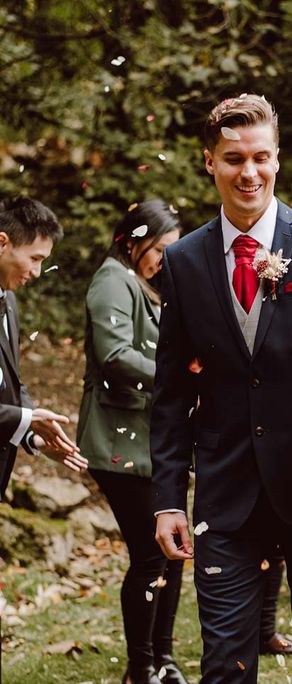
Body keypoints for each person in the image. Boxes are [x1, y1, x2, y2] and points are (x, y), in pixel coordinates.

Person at [150, 94, 292, 683]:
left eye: (260, 157)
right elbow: (170, 390)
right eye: (232, 158)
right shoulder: (184, 260)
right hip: (225, 496)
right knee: (225, 662)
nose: (249, 172)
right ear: (209, 162)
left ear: (278, 158)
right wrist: (170, 497)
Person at [76, 200, 183, 684]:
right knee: (149, 555)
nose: (166, 258)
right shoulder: (111, 279)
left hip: (152, 445)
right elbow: (116, 355)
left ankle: (165, 660)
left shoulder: (146, 286)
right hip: (117, 444)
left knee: (172, 549)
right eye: (160, 248)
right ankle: (140, 668)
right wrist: (178, 379)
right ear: (133, 240)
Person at [0, 197, 87, 500]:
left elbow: (9, 381)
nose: (37, 272)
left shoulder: (9, 302)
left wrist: (34, 436)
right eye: (35, 258)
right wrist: (26, 418)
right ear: (2, 243)